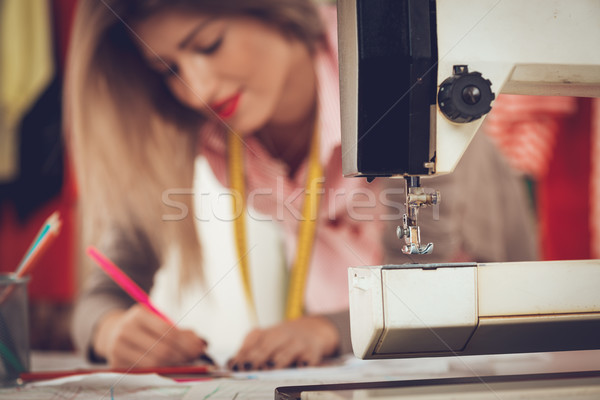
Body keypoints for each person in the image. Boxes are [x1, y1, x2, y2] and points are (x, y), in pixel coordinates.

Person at [68, 0, 383, 370]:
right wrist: (111, 330)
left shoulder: (404, 71)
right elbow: (100, 296)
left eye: (209, 44)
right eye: (169, 69)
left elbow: (430, 299)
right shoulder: (188, 119)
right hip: (347, 369)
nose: (198, 88)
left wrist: (329, 330)